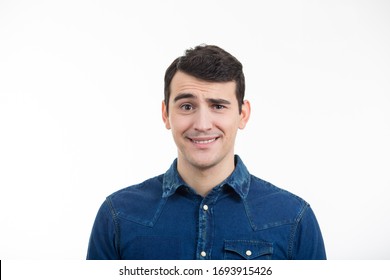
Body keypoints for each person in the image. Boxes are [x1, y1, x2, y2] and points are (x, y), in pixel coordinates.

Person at [86, 44, 326, 260]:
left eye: (218, 106)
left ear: (243, 114)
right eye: (187, 106)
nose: (202, 124)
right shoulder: (118, 216)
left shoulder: (294, 219)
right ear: (165, 114)